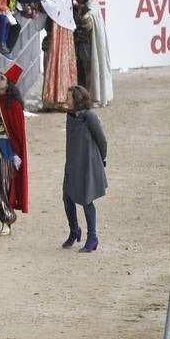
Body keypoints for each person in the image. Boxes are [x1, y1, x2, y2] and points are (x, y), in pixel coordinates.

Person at [62, 84, 108, 253]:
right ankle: (74, 230)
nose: (66, 100)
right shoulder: (70, 116)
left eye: (68, 97)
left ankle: (92, 237)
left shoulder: (90, 117)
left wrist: (101, 159)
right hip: (72, 164)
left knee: (86, 201)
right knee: (67, 198)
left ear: (77, 99)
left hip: (87, 165)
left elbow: (102, 140)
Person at [0, 62, 29, 236]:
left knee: (3, 184)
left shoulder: (13, 105)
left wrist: (16, 154)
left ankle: (7, 219)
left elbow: (17, 133)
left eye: (2, 78)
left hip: (6, 149)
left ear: (9, 84)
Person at [41, 0, 78, 111]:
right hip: (66, 31)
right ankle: (64, 97)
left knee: (56, 59)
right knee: (65, 60)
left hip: (57, 31)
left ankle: (54, 97)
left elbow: (52, 8)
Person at [72, 0, 113, 107]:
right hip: (81, 43)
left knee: (89, 71)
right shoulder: (84, 4)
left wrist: (81, 10)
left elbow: (87, 23)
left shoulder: (92, 5)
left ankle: (88, 97)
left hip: (88, 45)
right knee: (81, 71)